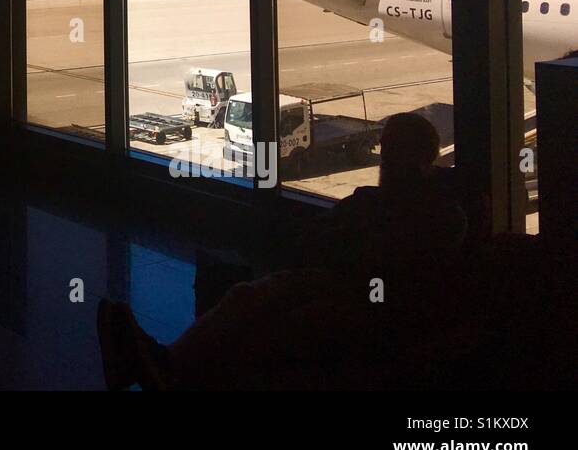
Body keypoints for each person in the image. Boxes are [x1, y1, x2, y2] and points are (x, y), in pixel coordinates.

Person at [98, 112, 468, 390]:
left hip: (356, 300)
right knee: (248, 300)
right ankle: (166, 364)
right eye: (385, 152)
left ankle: (167, 366)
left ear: (419, 161)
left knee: (256, 313)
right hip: (336, 287)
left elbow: (383, 264)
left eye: (392, 154)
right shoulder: (417, 208)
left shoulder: (428, 214)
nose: (383, 161)